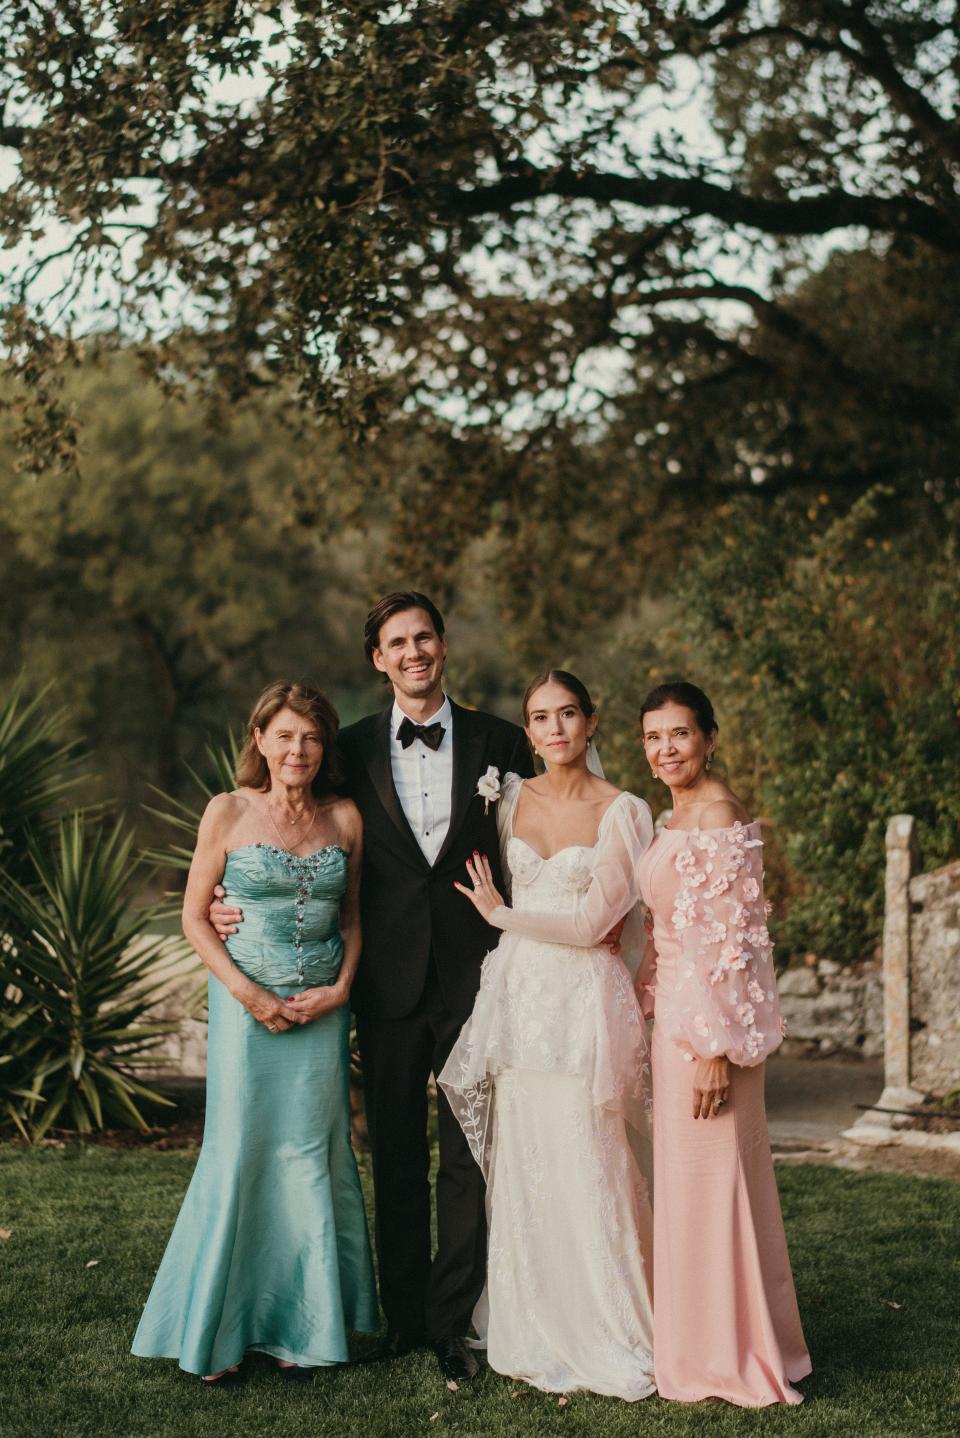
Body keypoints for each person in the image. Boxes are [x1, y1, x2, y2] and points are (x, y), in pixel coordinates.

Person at [211, 593, 533, 1382]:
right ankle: (405, 1316)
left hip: (476, 976)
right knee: (392, 1151)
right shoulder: (345, 748)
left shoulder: (501, 741)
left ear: (443, 645)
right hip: (382, 981)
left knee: (467, 1155)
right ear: (378, 659)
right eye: (398, 642)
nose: (414, 651)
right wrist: (231, 902)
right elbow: (292, 832)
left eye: (425, 636)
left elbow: (543, 840)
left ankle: (455, 1323)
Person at [132, 681, 377, 1384]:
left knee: (311, 1158)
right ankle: (222, 1332)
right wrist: (247, 994)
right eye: (284, 735)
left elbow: (353, 917)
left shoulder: (346, 818)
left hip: (323, 1017)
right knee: (241, 1154)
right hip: (247, 1016)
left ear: (323, 746)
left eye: (310, 736)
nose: (296, 749)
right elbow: (193, 916)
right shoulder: (228, 810)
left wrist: (342, 989)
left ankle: (304, 1331)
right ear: (260, 740)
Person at [440, 671, 656, 1400]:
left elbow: (601, 924)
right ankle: (529, 1315)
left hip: (581, 999)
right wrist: (506, 926)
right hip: (521, 999)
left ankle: (610, 1320)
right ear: (527, 733)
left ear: (592, 724)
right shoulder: (509, 799)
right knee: (527, 1156)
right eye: (540, 717)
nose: (555, 727)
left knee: (589, 1153)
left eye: (568, 714)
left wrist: (502, 917)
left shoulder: (625, 810)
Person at [635, 680, 811, 1406]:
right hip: (672, 1015)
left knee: (718, 1184)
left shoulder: (717, 814)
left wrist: (713, 1048)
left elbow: (734, 946)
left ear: (709, 737)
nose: (665, 749)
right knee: (691, 1186)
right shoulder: (672, 814)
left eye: (679, 734)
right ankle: (708, 1340)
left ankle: (732, 1354)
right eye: (652, 737)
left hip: (709, 1033)